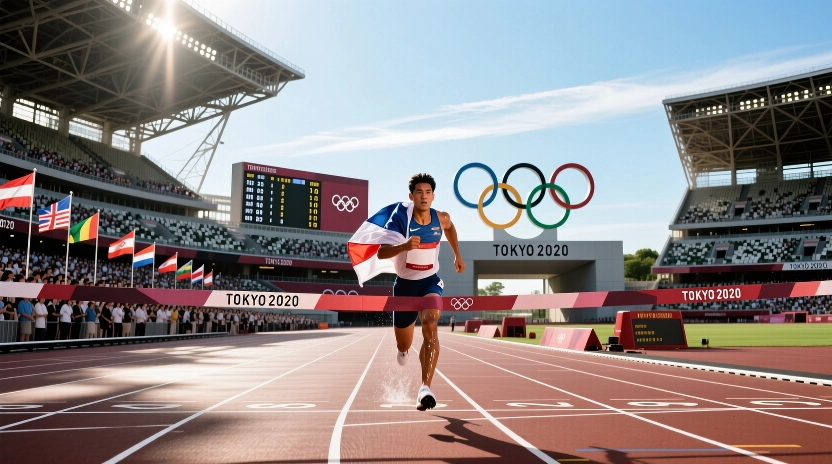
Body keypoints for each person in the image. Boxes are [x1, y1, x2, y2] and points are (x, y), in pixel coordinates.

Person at [348, 173, 465, 411]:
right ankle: (403, 351)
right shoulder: (401, 218)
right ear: (411, 196)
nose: (424, 196)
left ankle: (425, 388)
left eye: (428, 192)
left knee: (431, 324)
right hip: (404, 286)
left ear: (433, 196)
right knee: (404, 344)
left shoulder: (441, 218)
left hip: (430, 282)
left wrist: (457, 255)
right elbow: (381, 252)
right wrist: (404, 245)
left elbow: (451, 228)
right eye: (419, 192)